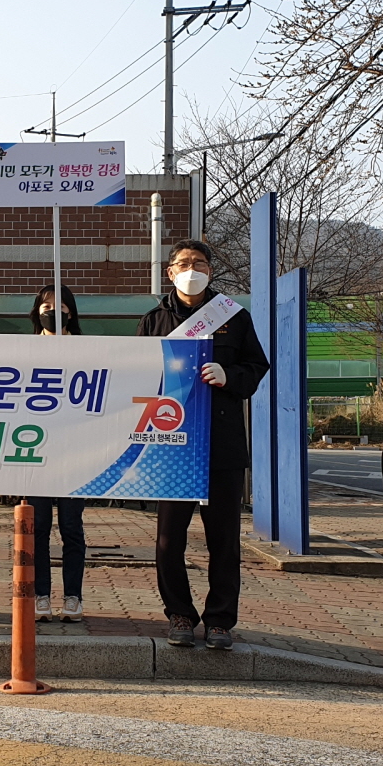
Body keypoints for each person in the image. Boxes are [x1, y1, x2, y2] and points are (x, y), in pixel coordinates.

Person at [137, 239, 270, 650]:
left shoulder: (233, 316)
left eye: (199, 262)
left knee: (224, 540)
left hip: (221, 445)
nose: (191, 269)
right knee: (168, 539)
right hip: (171, 444)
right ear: (170, 272)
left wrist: (230, 376)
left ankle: (220, 621)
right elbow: (136, 374)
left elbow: (256, 366)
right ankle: (179, 613)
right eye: (183, 263)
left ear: (210, 271)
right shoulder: (154, 320)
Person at [27, 284, 87, 623]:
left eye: (61, 307)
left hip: (76, 455)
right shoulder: (24, 351)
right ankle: (41, 595)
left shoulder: (87, 350)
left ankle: (73, 596)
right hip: (35, 453)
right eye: (47, 306)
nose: (53, 312)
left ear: (71, 313)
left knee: (71, 528)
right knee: (37, 529)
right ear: (37, 312)